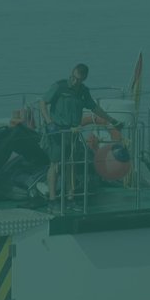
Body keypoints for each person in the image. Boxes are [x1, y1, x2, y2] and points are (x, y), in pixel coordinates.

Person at [38, 63, 114, 202]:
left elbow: (94, 107)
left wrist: (111, 119)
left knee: (71, 164)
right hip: (57, 131)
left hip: (73, 132)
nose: (75, 81)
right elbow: (42, 102)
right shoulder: (59, 87)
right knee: (55, 164)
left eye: (79, 79)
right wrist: (49, 122)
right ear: (71, 74)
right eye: (74, 77)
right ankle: (53, 199)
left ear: (84, 79)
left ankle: (71, 197)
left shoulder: (83, 91)